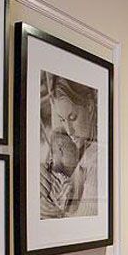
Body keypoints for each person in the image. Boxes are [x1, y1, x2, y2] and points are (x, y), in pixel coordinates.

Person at [40, 76, 98, 218]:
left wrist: (53, 213)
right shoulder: (79, 150)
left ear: (90, 108)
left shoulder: (97, 158)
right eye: (62, 119)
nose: (69, 130)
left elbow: (83, 223)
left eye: (73, 118)